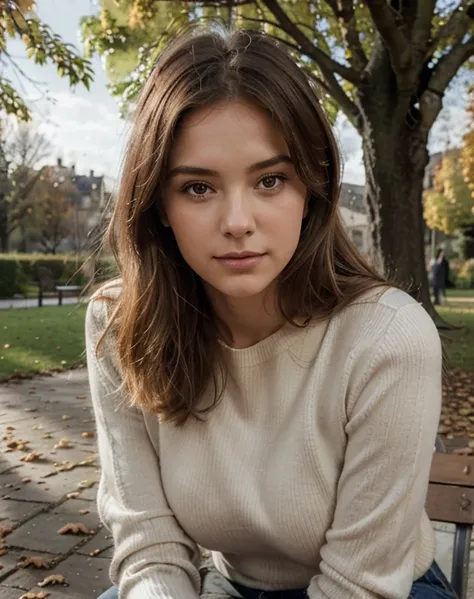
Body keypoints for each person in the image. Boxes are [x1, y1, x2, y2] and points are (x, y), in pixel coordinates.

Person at [86, 28, 454, 599]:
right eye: (199, 188)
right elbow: (149, 544)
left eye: (270, 180)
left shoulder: (387, 336)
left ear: (310, 190)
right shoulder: (122, 327)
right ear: (158, 202)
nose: (237, 221)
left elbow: (359, 585)